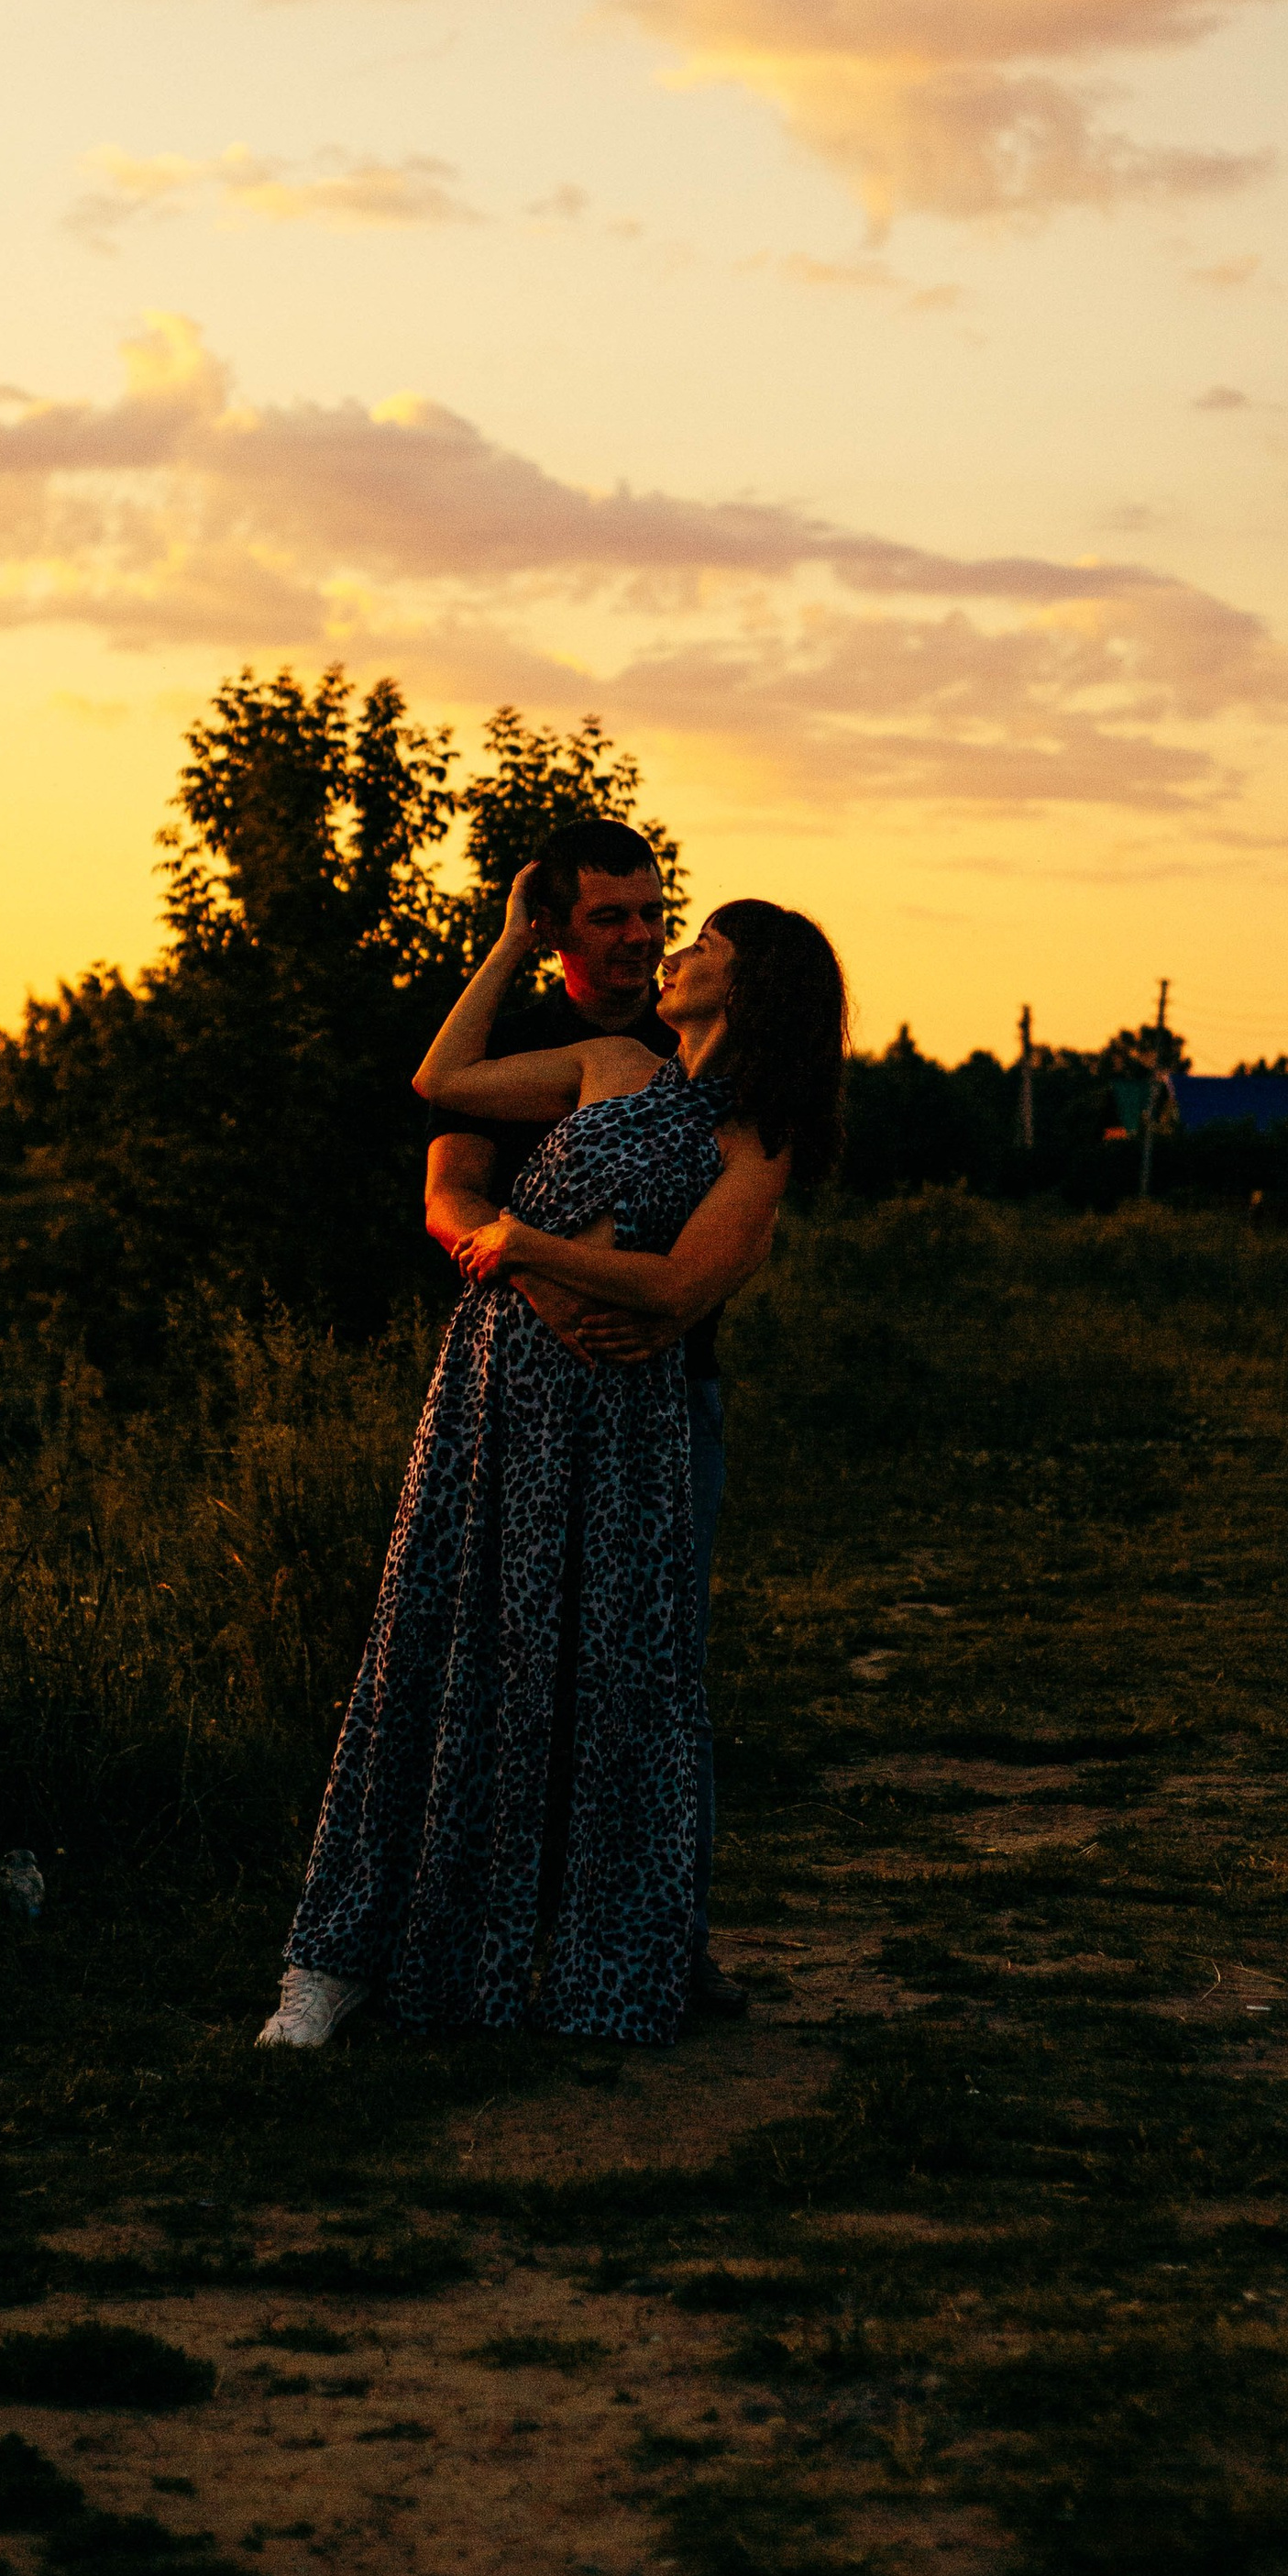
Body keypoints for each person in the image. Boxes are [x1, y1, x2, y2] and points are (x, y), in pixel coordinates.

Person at [256, 868, 847, 2053]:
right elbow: (440, 1084)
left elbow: (681, 1287)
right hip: (495, 1397)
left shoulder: (758, 1137)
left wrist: (534, 1246)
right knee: (450, 1651)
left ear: (751, 979)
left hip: (632, 1424)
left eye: (697, 940)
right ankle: (365, 1956)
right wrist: (510, 942)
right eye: (642, 926)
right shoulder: (604, 1065)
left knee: (620, 1686)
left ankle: (629, 1955)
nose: (669, 950)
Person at [422, 821, 756, 2019]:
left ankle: (671, 1941)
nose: (639, 935)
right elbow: (452, 1196)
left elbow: (730, 1238)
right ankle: (507, 1937)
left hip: (668, 1394)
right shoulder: (526, 1041)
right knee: (512, 1670)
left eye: (652, 911)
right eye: (609, 916)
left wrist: (662, 1309)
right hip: (521, 1402)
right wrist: (540, 1282)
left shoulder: (701, 1074)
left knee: (657, 1677)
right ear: (558, 926)